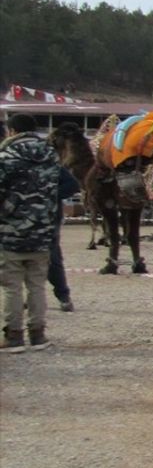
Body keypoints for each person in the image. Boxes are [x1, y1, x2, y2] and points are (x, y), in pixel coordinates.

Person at [0, 114, 62, 352]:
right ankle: (38, 335)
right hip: (43, 231)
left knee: (11, 286)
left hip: (11, 231)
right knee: (37, 285)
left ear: (12, 130)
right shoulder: (51, 156)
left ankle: (13, 336)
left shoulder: (6, 157)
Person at [47, 164, 80, 312]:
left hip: (47, 219)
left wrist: (48, 195)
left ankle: (63, 296)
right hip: (19, 221)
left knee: (52, 259)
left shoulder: (46, 160)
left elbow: (72, 185)